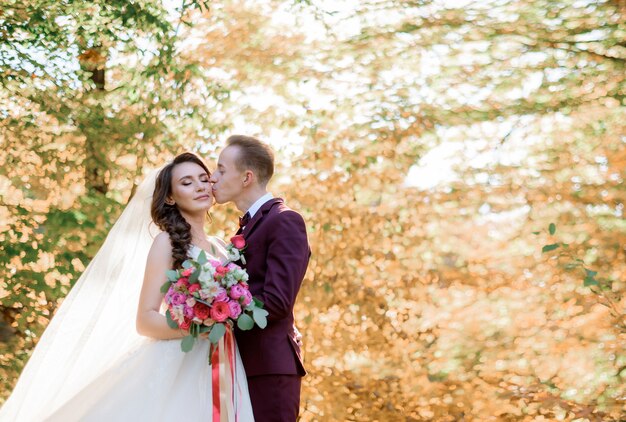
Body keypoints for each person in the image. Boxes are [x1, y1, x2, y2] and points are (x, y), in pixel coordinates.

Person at [0, 152, 254, 421]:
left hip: (223, 359)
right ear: (170, 197)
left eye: (204, 179)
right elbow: (145, 320)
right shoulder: (166, 243)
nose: (201, 186)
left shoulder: (222, 247)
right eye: (187, 182)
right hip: (182, 361)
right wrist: (198, 325)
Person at [210, 135, 310, 422]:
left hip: (270, 367)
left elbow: (277, 302)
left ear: (246, 177)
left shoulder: (284, 220)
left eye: (221, 169)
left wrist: (217, 310)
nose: (213, 178)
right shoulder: (250, 225)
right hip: (243, 362)